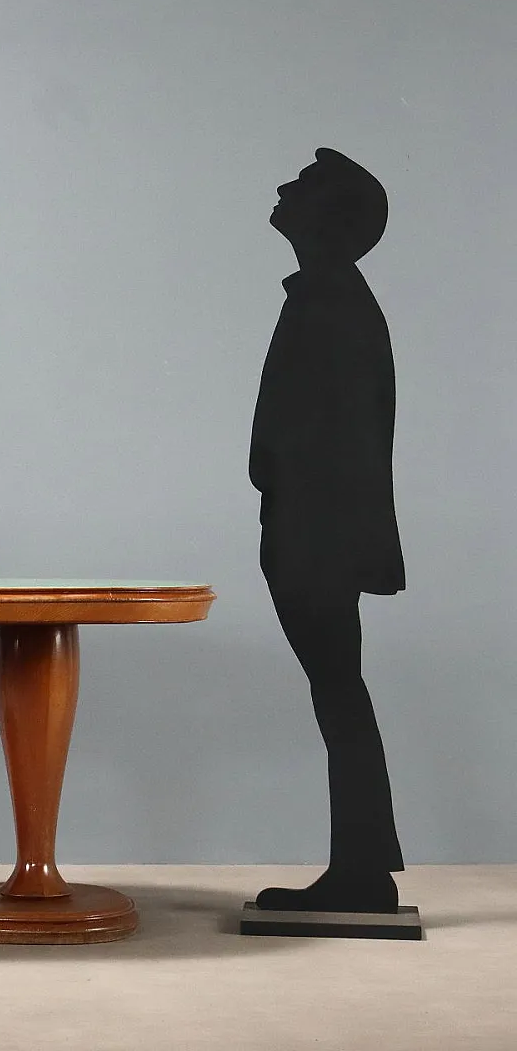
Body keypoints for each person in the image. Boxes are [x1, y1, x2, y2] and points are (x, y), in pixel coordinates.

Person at [250, 147, 405, 914]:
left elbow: (340, 438)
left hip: (318, 535)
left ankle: (363, 871)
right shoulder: (329, 297)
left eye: (305, 184)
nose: (285, 186)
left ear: (330, 217)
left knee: (339, 693)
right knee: (339, 692)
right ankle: (363, 867)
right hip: (315, 530)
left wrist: (302, 520)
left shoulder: (331, 302)